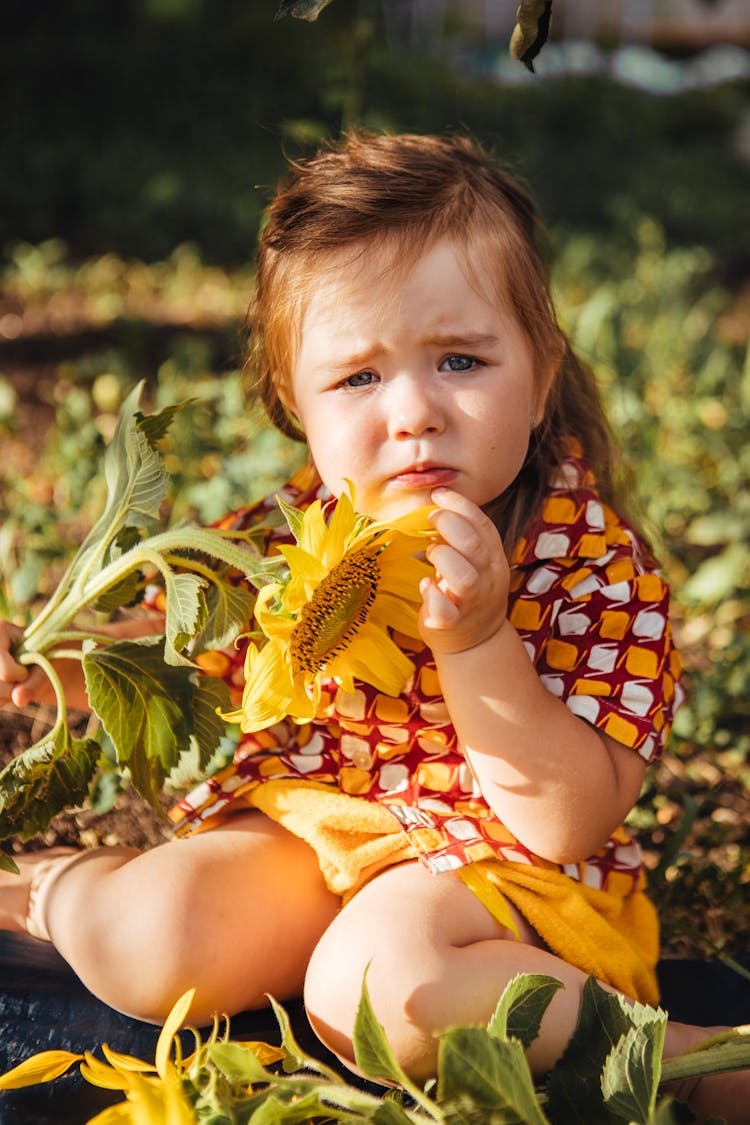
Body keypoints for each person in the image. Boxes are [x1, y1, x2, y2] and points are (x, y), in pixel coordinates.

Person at [0, 133, 745, 1119]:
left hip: (506, 889)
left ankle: (688, 1058)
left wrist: (479, 642)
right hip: (323, 842)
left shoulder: (583, 558)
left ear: (541, 365)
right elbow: (191, 641)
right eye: (358, 378)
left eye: (461, 359)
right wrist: (70, 664)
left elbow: (570, 819)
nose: (415, 413)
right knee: (157, 936)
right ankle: (48, 888)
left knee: (380, 986)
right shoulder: (291, 533)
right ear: (292, 401)